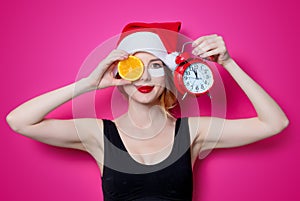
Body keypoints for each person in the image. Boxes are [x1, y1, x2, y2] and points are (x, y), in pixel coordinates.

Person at [6, 22, 289, 201]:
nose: (143, 78)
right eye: (134, 68)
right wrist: (87, 84)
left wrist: (228, 63)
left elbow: (274, 123)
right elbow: (18, 121)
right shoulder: (97, 133)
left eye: (155, 67)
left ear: (167, 76)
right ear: (118, 77)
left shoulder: (193, 131)